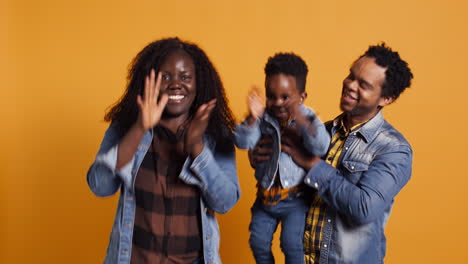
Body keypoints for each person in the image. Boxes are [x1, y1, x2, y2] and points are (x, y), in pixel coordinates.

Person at [87, 37, 240, 264]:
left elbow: (225, 202)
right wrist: (140, 128)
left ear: (199, 83)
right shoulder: (126, 127)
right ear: (149, 81)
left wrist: (196, 147)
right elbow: (100, 186)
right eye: (165, 77)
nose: (175, 84)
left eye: (185, 77)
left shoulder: (216, 134)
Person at [235, 53, 330, 264]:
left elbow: (321, 146)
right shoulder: (263, 117)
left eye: (285, 97)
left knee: (292, 245)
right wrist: (252, 117)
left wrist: (303, 122)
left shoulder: (309, 117)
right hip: (265, 197)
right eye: (271, 95)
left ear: (302, 97)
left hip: (295, 199)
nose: (277, 103)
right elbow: (243, 142)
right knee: (258, 243)